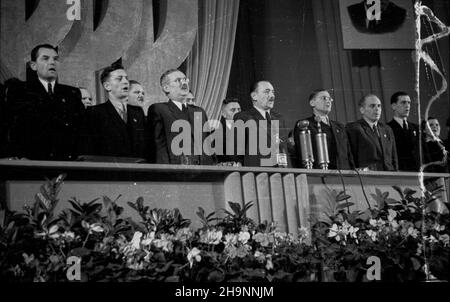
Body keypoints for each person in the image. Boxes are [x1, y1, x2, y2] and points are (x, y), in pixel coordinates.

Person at [4, 44, 85, 160]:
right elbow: (11, 127)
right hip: (31, 163)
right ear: (33, 65)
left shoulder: (72, 93)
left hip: (65, 162)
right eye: (45, 58)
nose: (52, 62)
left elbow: (81, 129)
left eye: (56, 59)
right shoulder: (19, 91)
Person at [79, 64, 148, 160]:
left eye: (126, 78)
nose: (125, 82)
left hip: (138, 171)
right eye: (119, 79)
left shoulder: (138, 112)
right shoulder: (94, 113)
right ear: (107, 86)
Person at [147, 69, 213, 165]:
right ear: (166, 88)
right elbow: (158, 146)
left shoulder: (199, 111)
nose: (184, 83)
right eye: (178, 80)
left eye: (185, 79)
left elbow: (208, 143)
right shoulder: (159, 109)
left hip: (204, 171)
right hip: (176, 171)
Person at [293, 89, 354, 170]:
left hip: (344, 175)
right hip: (318, 174)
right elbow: (301, 153)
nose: (328, 101)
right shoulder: (305, 125)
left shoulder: (339, 126)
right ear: (312, 103)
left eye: (330, 99)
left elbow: (349, 154)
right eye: (324, 98)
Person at [233, 81, 288, 167]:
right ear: (254, 96)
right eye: (267, 92)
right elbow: (238, 150)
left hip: (282, 172)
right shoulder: (243, 117)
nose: (272, 96)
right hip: (258, 173)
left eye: (273, 92)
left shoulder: (280, 118)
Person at [346, 94, 398, 171]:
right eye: (372, 106)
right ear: (362, 110)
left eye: (379, 106)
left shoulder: (387, 129)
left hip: (389, 176)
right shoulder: (354, 128)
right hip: (368, 177)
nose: (377, 109)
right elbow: (351, 156)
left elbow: (394, 158)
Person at [387, 91, 420, 171]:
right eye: (403, 102)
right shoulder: (387, 128)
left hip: (419, 173)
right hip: (400, 173)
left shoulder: (416, 128)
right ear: (394, 106)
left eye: (409, 103)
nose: (407, 106)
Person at [216, 98, 241, 164]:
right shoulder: (215, 135)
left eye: (239, 109)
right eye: (233, 110)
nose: (237, 112)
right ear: (224, 114)